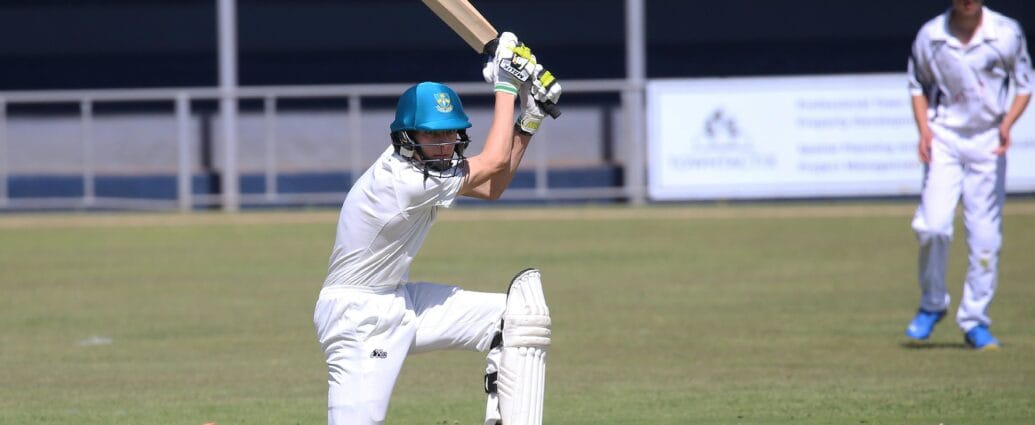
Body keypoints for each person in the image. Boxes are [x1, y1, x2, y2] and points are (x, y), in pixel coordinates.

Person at [312, 32, 560, 425]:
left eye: (449, 133)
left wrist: (530, 117)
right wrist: (506, 84)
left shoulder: (429, 171)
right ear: (407, 136)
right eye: (432, 134)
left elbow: (492, 187)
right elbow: (494, 161)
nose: (444, 145)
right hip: (356, 317)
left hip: (400, 300)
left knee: (516, 317)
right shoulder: (406, 181)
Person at [905, 0, 1032, 350]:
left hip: (988, 139)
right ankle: (932, 303)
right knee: (932, 226)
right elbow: (918, 86)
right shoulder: (931, 36)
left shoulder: (1005, 33)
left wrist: (1007, 123)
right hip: (945, 136)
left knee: (985, 236)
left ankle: (975, 320)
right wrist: (924, 131)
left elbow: (1024, 84)